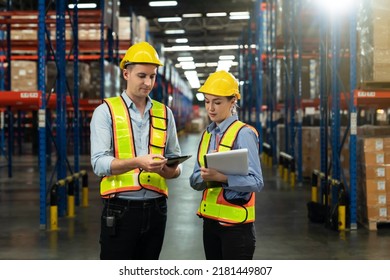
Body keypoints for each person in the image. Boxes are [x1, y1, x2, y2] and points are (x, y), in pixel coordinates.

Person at [90, 41, 182, 260]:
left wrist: (167, 170)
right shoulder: (105, 112)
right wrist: (138, 162)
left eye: (152, 76)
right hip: (120, 209)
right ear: (126, 74)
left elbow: (176, 166)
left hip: (157, 208)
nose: (148, 82)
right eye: (142, 76)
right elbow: (99, 164)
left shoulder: (165, 113)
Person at [189, 70, 264, 260]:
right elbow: (194, 180)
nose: (210, 108)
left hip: (237, 229)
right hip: (210, 225)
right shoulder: (207, 135)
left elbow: (256, 182)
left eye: (217, 102)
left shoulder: (244, 134)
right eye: (207, 101)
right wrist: (204, 177)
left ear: (232, 102)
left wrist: (221, 178)